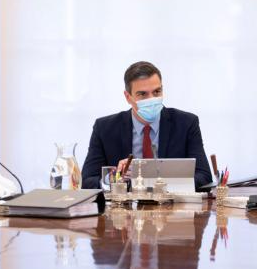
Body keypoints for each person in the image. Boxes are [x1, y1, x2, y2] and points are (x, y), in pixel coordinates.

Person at [81, 61, 212, 190]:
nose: (151, 99)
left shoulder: (186, 123)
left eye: (157, 92)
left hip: (170, 206)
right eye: (142, 94)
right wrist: (116, 177)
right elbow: (87, 181)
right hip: (125, 208)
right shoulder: (105, 128)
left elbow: (204, 176)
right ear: (128, 97)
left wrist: (160, 184)